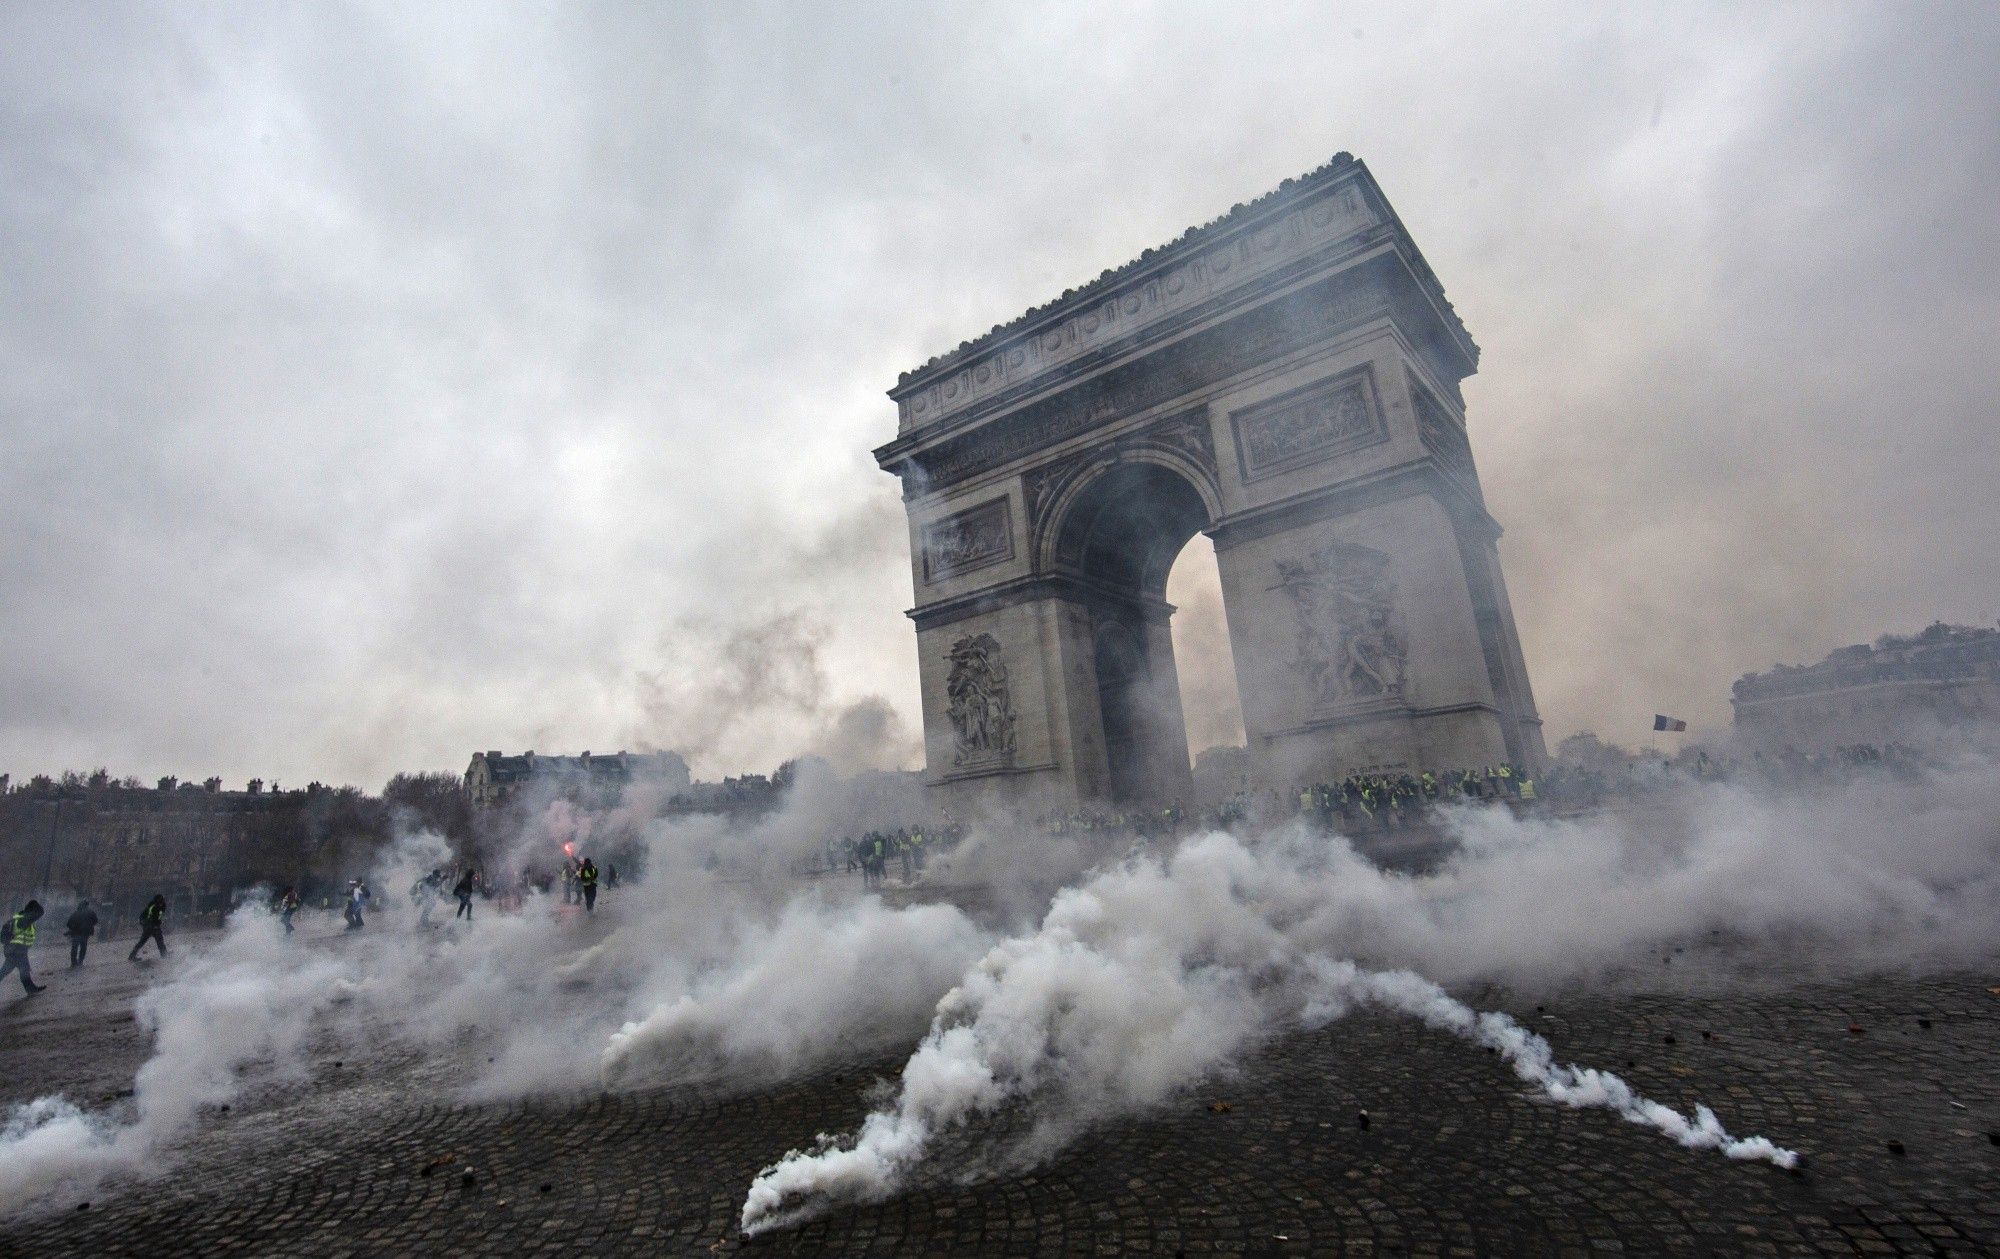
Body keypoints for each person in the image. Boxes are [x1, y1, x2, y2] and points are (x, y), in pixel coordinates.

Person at [0, 901, 47, 994]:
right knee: (23, 969)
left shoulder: (24, 919)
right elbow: (38, 913)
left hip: (15, 950)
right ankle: (31, 989)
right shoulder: (24, 919)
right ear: (32, 911)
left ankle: (31, 989)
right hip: (16, 950)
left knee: (7, 970)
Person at [129, 894, 168, 960]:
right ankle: (164, 955)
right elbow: (146, 917)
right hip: (150, 926)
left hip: (152, 926)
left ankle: (132, 956)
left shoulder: (161, 906)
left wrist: (158, 923)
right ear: (159, 900)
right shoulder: (153, 906)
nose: (163, 900)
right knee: (159, 940)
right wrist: (150, 925)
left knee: (143, 941)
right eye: (162, 899)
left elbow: (160, 916)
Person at [64, 899, 98, 968]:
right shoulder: (91, 912)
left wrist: (73, 928)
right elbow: (96, 921)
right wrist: (89, 925)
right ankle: (80, 961)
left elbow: (68, 923)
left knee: (74, 947)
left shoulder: (75, 913)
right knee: (83, 946)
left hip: (76, 933)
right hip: (85, 933)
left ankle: (73, 962)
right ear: (86, 905)